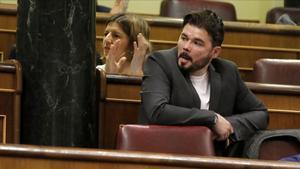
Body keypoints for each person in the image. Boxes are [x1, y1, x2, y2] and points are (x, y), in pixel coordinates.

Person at [139, 10, 269, 156]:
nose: (186, 46)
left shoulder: (227, 71)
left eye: (197, 43)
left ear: (215, 52)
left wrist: (229, 125)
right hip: (164, 155)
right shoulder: (160, 62)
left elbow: (260, 114)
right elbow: (157, 111)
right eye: (184, 38)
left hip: (211, 159)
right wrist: (212, 119)